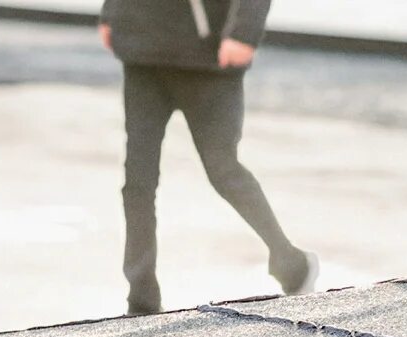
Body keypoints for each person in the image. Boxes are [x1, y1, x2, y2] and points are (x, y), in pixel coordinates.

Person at [98, 0, 317, 316]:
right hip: (143, 54)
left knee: (223, 171)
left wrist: (244, 33)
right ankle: (141, 297)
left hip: (208, 58)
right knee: (137, 181)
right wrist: (112, 14)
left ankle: (291, 263)